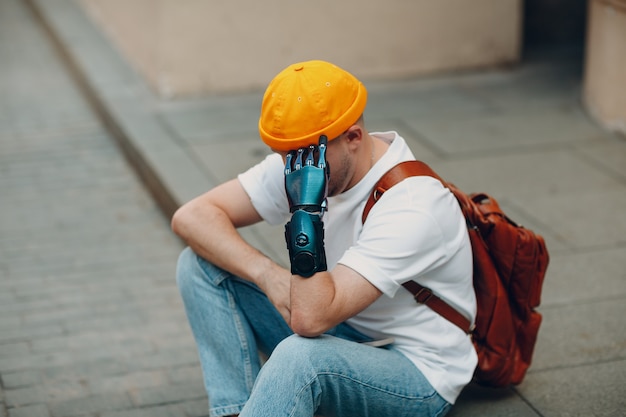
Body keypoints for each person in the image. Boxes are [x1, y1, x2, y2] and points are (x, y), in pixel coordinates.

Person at [172, 60, 477, 417]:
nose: (294, 168)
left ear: (353, 138)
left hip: (416, 371)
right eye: (286, 156)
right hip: (342, 326)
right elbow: (191, 217)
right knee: (199, 265)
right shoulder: (307, 158)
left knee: (300, 359)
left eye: (305, 156)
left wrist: (306, 210)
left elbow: (310, 321)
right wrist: (267, 275)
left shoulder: (413, 206)